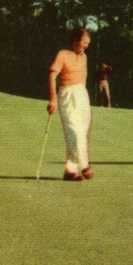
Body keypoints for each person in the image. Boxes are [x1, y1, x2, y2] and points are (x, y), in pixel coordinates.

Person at [48, 27, 94, 181]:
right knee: (74, 131)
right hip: (67, 94)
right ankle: (84, 165)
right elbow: (52, 75)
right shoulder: (62, 54)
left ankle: (70, 170)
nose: (86, 46)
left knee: (81, 131)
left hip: (82, 94)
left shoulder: (84, 57)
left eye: (88, 43)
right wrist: (53, 98)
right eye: (84, 43)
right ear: (74, 41)